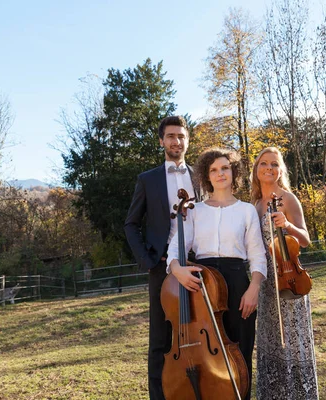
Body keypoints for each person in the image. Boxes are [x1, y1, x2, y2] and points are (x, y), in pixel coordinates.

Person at [167, 147, 267, 399]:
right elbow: (175, 249)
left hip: (237, 283)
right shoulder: (194, 211)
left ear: (233, 172)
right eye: (213, 170)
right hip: (203, 284)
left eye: (224, 168)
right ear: (206, 176)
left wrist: (253, 289)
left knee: (240, 354)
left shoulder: (246, 210)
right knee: (205, 355)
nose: (220, 173)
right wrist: (177, 270)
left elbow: (257, 255)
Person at [124, 115, 200, 400]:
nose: (176, 141)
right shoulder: (147, 179)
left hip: (199, 263)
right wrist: (147, 260)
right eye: (171, 136)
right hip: (161, 267)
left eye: (181, 136)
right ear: (161, 141)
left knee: (201, 330)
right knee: (160, 340)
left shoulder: (200, 176)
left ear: (187, 140)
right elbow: (130, 223)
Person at [250, 147, 319, 400]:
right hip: (267, 284)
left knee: (292, 342)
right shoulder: (254, 205)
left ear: (281, 171)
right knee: (271, 342)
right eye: (263, 163)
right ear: (256, 170)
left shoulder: (288, 199)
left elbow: (306, 240)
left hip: (290, 279)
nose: (269, 168)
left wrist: (287, 224)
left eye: (274, 164)